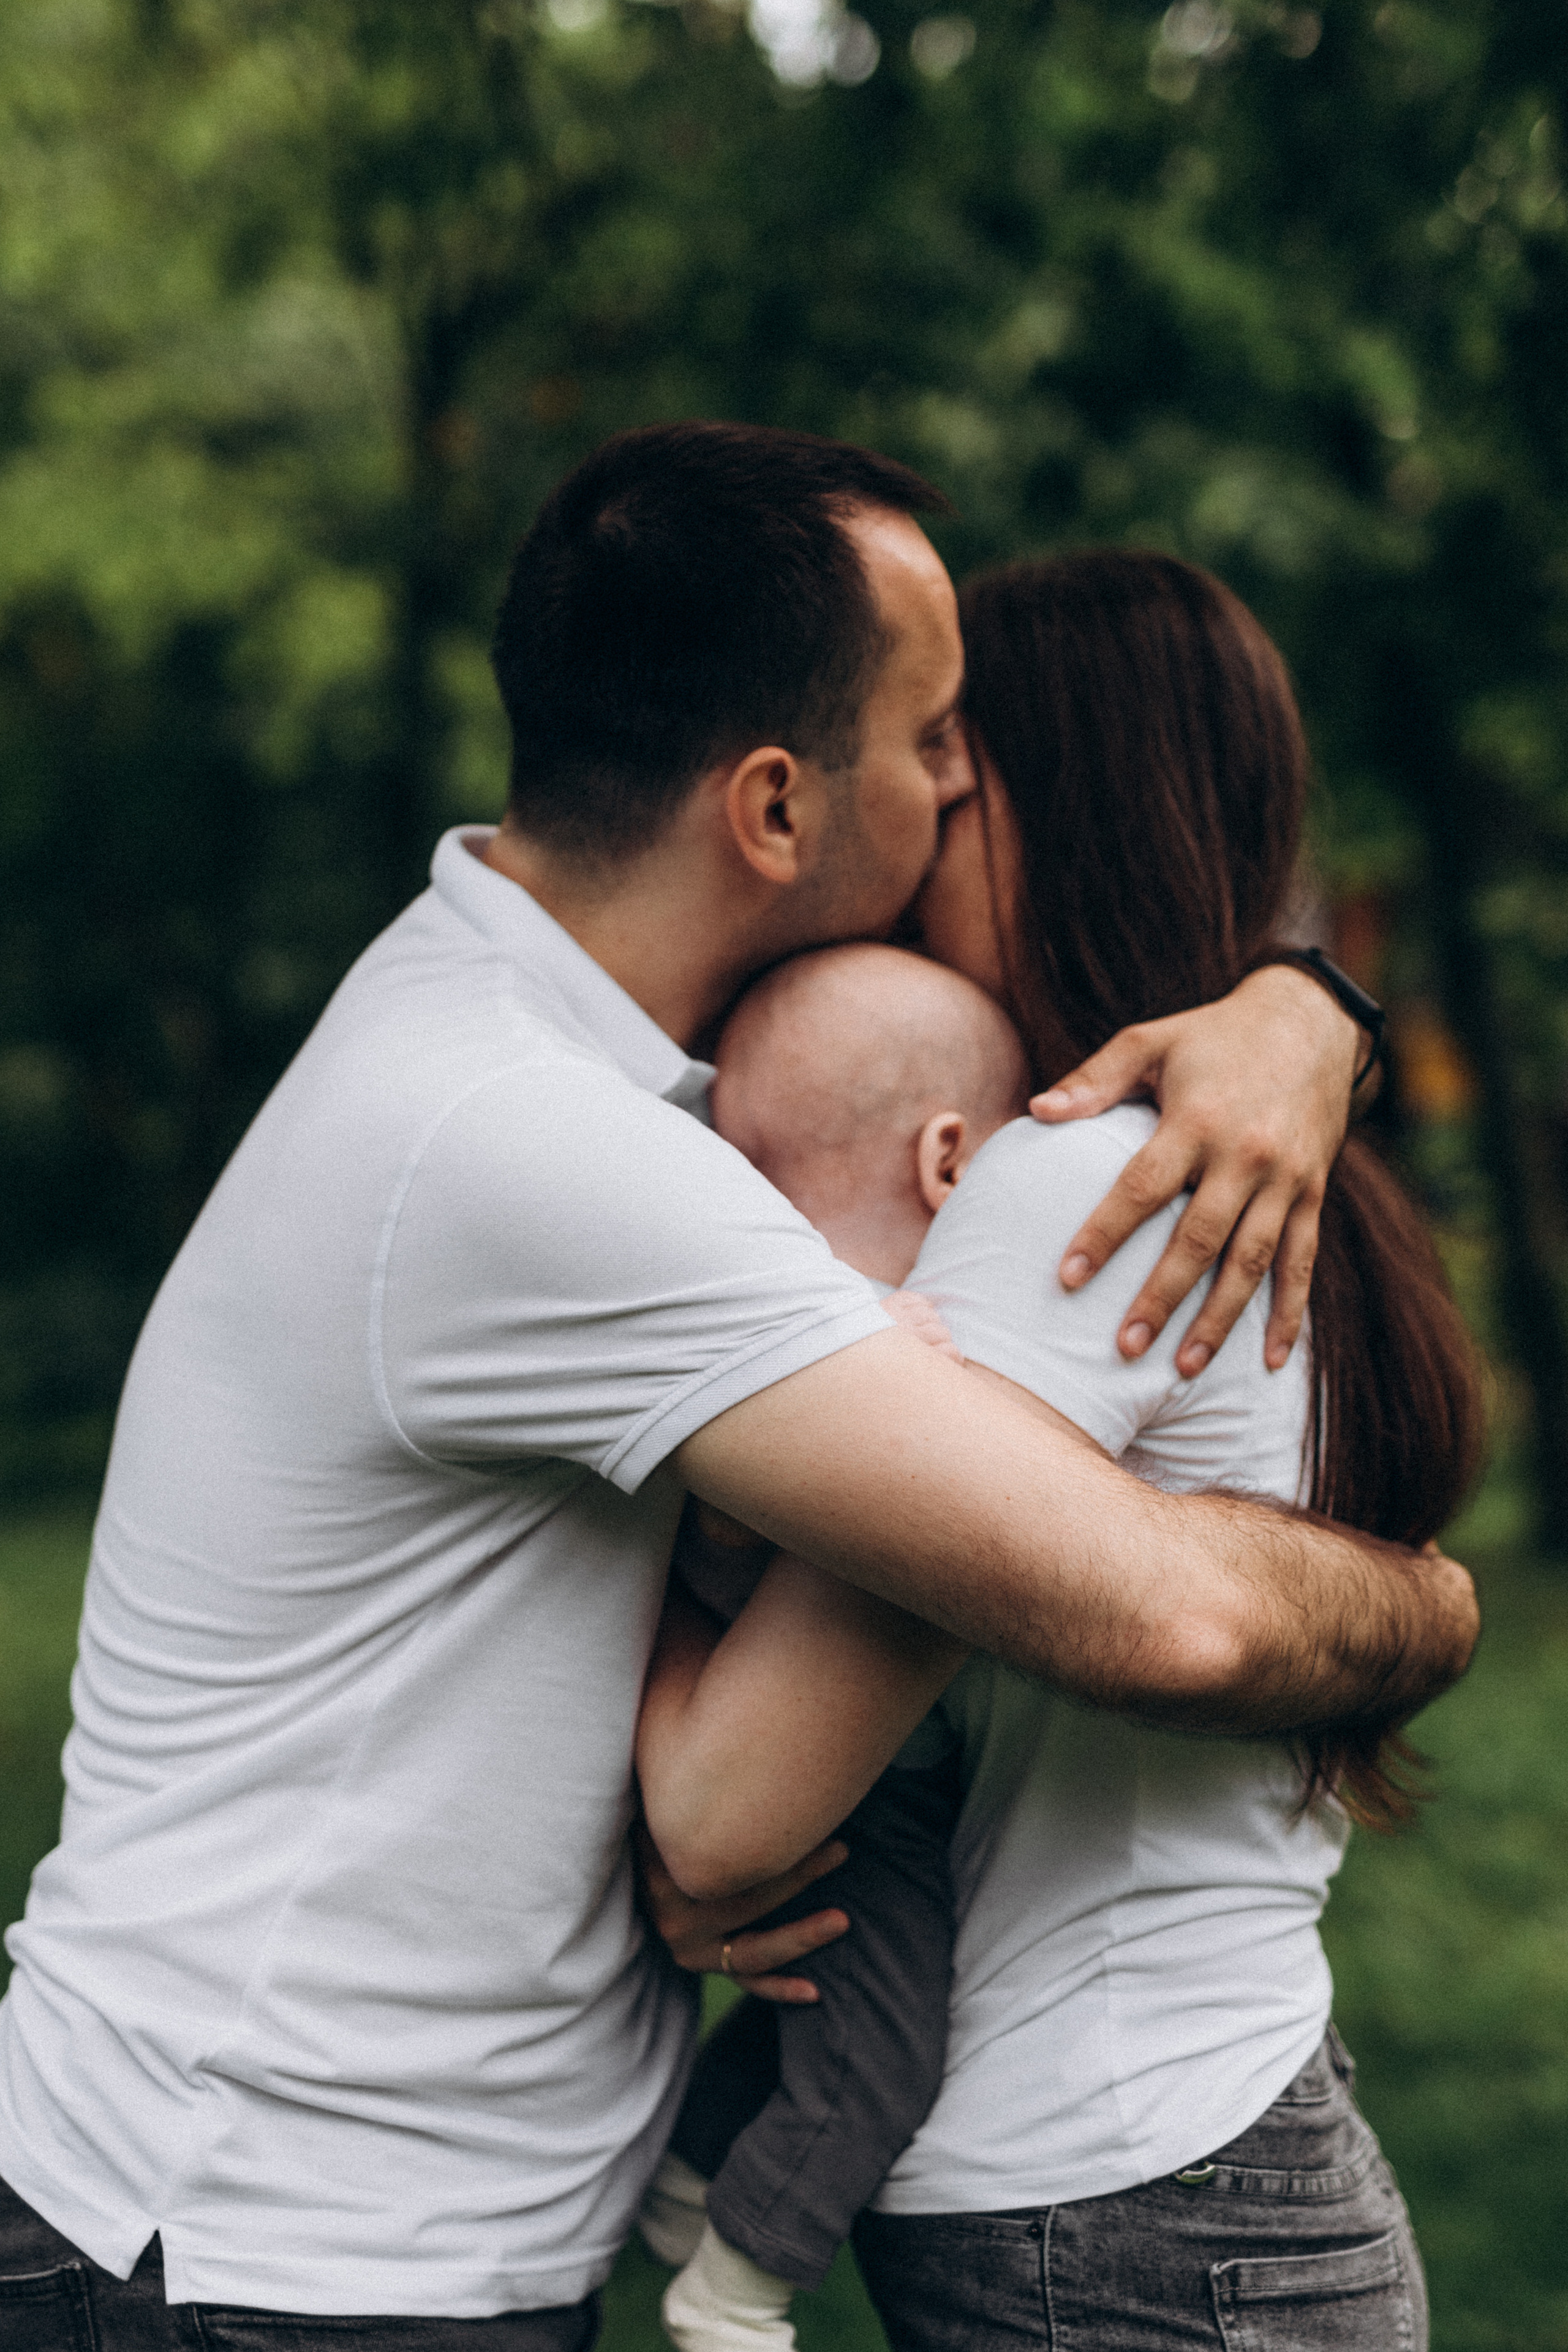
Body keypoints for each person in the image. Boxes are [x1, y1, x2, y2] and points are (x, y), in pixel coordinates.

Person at [0, 427, 1476, 2352]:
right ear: (776, 807)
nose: (960, 775)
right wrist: (1428, 1603)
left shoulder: (615, 1070)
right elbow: (1162, 1614)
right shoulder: (526, 1142)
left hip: (330, 2239)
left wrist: (1311, 1008)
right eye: (934, 732)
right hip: (253, 2250)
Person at [638, 549, 1485, 2352]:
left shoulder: (1079, 1184)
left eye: (955, 780)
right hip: (1224, 2133)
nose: (910, 824)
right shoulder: (1282, 1167)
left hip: (1108, 2199)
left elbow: (731, 1815)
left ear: (1055, 804)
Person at [636, 943, 1025, 2351]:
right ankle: (738, 2291)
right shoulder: (823, 1334)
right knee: (880, 2053)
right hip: (847, 1790)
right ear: (950, 1157)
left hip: (865, 1779)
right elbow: (719, 1534)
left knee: (825, 2002)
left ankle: (686, 2177)